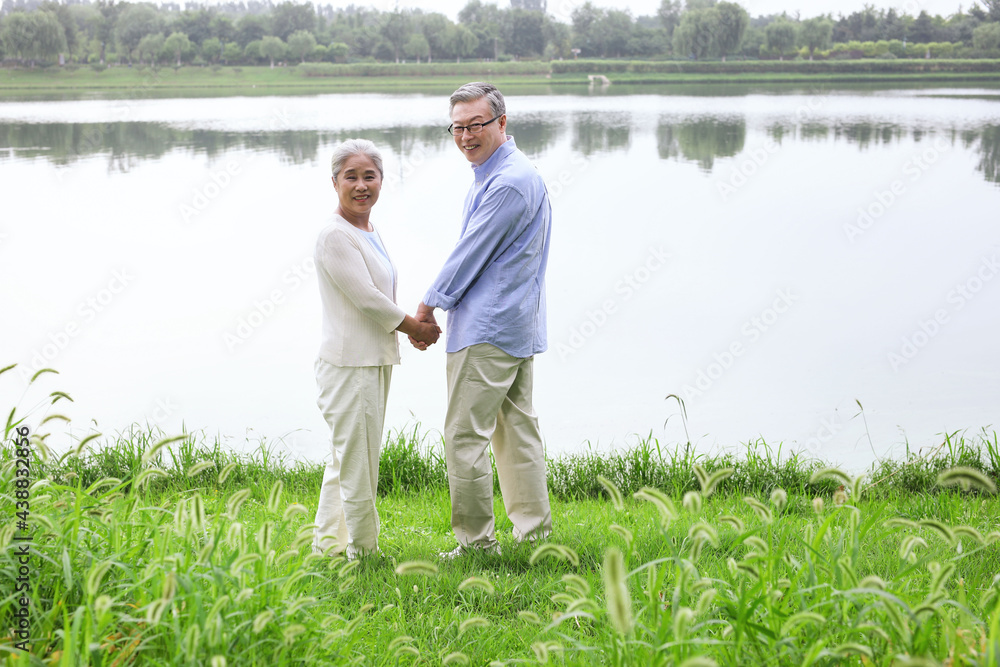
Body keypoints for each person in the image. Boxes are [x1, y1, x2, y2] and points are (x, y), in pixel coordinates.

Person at [412, 82, 553, 557]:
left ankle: (476, 545)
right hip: (513, 325)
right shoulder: (505, 174)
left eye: (477, 124)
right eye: (458, 127)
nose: (467, 136)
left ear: (502, 123)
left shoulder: (509, 182)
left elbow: (470, 253)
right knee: (517, 432)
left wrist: (427, 306)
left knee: (464, 436)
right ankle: (535, 536)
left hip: (489, 330)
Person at [313, 138, 440, 560]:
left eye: (370, 176)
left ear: (382, 180)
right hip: (351, 365)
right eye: (352, 176)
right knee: (358, 466)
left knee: (347, 460)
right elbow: (366, 298)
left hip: (372, 361)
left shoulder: (366, 228)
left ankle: (328, 547)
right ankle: (363, 554)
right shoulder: (334, 235)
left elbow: (377, 294)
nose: (362, 185)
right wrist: (415, 327)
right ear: (335, 182)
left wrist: (408, 331)